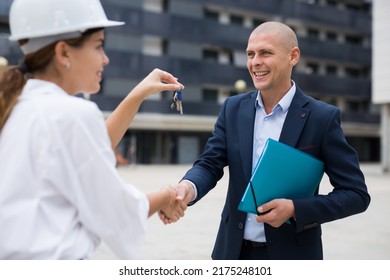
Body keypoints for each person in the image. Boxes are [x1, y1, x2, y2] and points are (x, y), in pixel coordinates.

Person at [162, 21, 371, 260]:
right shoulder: (233, 109)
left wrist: (296, 209)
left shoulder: (322, 118)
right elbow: (209, 164)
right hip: (232, 253)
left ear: (293, 56)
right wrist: (186, 189)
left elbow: (356, 194)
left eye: (266, 53)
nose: (255, 62)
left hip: (293, 256)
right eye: (250, 54)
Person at [0, 0, 186, 259]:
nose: (106, 59)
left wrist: (138, 94)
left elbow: (85, 151)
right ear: (64, 52)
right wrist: (166, 195)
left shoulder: (14, 106)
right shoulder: (71, 114)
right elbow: (117, 213)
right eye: (99, 46)